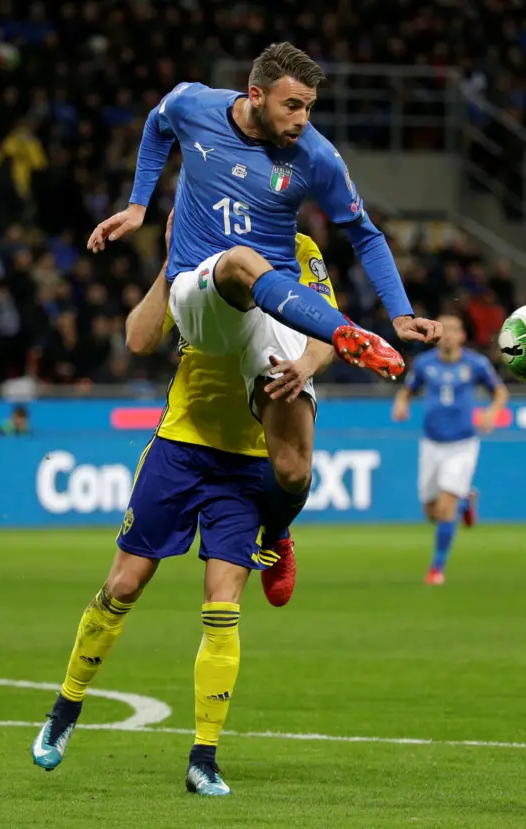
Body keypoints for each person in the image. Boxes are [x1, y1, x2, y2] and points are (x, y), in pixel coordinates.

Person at [88, 42, 442, 568]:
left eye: (310, 107)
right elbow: (157, 122)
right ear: (255, 96)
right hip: (201, 291)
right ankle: (345, 333)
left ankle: (276, 531)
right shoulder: (195, 105)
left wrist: (400, 313)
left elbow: (364, 234)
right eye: (292, 106)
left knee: (294, 468)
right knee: (239, 261)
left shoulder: (315, 156)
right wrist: (139, 205)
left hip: (271, 309)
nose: (302, 119)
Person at [31, 218, 337, 797]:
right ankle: (64, 711)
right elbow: (139, 339)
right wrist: (173, 260)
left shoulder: (300, 250)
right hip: (181, 446)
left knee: (222, 604)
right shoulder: (203, 254)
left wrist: (308, 367)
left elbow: (325, 327)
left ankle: (204, 758)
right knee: (122, 585)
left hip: (247, 462)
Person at [392, 312, 509, 584]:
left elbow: (500, 391)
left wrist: (492, 413)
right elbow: (407, 390)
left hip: (462, 444)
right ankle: (466, 499)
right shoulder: (423, 364)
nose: (449, 335)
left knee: (446, 507)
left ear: (462, 336)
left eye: (454, 329)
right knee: (431, 512)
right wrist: (401, 403)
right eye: (444, 330)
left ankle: (437, 568)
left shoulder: (476, 364)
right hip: (431, 443)